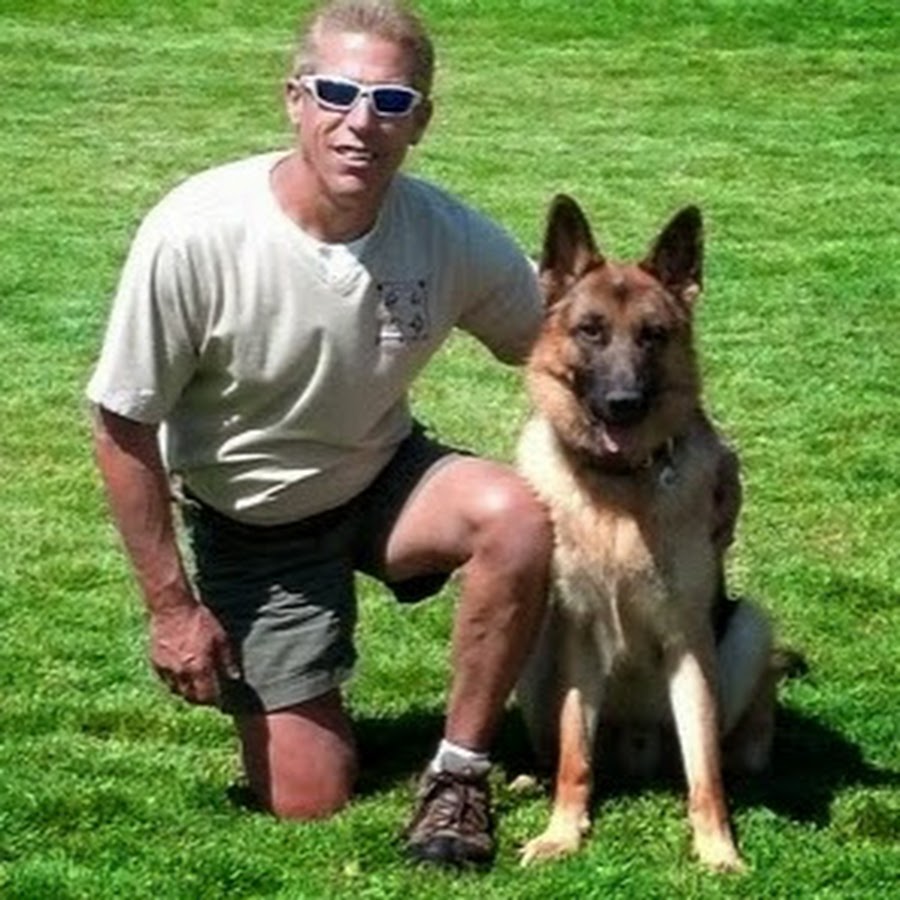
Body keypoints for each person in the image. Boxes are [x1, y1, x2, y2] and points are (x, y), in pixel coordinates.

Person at [87, 0, 553, 870]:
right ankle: (301, 693)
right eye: (337, 93)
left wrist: (690, 454)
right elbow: (122, 423)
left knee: (516, 515)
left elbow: (570, 344)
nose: (360, 122)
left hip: (384, 478)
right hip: (254, 527)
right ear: (295, 100)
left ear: (421, 120)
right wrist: (173, 610)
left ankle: (459, 771)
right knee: (308, 801)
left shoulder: (446, 233)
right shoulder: (196, 231)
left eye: (390, 101)